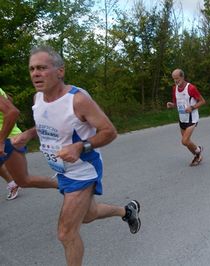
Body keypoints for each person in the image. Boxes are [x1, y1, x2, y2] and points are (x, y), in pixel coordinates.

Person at [15, 46, 141, 266]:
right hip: (63, 170)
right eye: (32, 68)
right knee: (89, 215)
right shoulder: (38, 98)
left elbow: (109, 132)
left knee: (66, 233)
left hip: (83, 170)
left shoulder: (77, 100)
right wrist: (29, 134)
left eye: (42, 68)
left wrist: (80, 147)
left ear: (60, 71)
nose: (35, 73)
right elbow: (48, 125)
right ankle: (126, 211)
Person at [167, 69, 206, 166]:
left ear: (182, 77)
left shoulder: (191, 88)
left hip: (192, 118)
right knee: (187, 142)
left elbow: (202, 101)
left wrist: (192, 107)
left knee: (184, 141)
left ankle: (198, 150)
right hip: (182, 118)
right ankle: (197, 155)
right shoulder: (174, 88)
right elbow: (177, 103)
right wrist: (172, 105)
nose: (176, 81)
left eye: (177, 78)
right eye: (174, 79)